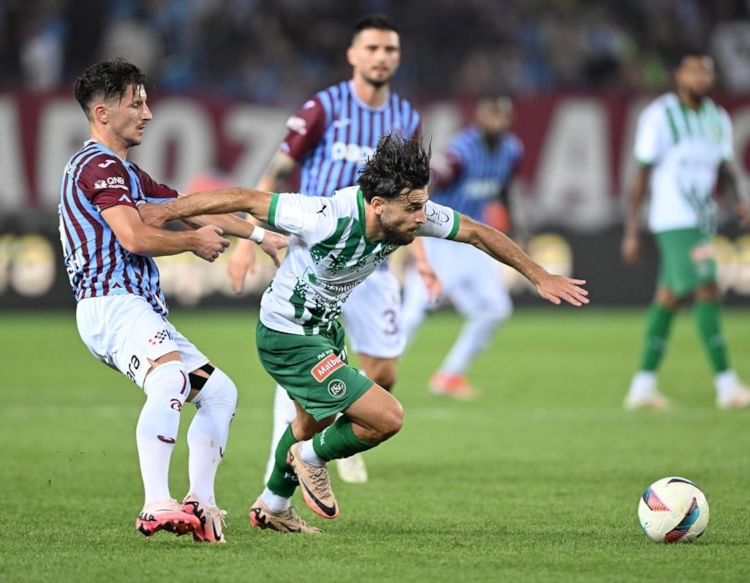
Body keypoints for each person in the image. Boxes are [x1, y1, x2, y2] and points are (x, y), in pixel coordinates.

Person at [140, 132, 590, 534]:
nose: (422, 217)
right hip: (287, 337)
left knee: (307, 424)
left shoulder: (408, 211)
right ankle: (310, 459)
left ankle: (273, 506)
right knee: (386, 417)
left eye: (423, 205)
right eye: (412, 208)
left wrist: (538, 275)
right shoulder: (324, 216)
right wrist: (167, 211)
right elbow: (245, 198)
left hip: (324, 331)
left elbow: (475, 231)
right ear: (378, 205)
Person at [57, 58, 287, 543]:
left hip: (133, 307)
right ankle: (155, 503)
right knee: (170, 377)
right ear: (102, 113)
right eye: (136, 104)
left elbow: (191, 208)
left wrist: (261, 236)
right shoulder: (98, 166)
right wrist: (191, 242)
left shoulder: (127, 173)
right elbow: (134, 238)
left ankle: (200, 501)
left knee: (220, 393)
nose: (148, 113)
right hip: (112, 302)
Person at [227, 13, 438, 485]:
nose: (381, 57)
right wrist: (246, 241)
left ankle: (345, 428)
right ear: (353, 55)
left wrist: (421, 260)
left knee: (384, 371)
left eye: (389, 49)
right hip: (317, 253)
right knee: (303, 358)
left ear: (398, 57)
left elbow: (413, 199)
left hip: (374, 257)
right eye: (372, 48)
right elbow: (275, 173)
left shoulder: (406, 118)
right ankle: (286, 466)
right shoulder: (323, 108)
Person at [621, 52, 750, 411]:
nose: (700, 78)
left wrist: (739, 200)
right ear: (679, 75)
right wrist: (631, 228)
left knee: (669, 298)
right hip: (673, 219)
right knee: (706, 287)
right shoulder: (659, 115)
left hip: (702, 219)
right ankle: (727, 385)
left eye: (706, 72)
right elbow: (641, 173)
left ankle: (642, 387)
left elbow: (725, 166)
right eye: (693, 72)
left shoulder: (717, 117)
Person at [401, 94, 524, 400]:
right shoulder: (462, 151)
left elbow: (505, 190)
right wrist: (410, 224)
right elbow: (433, 181)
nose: (496, 120)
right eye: (490, 114)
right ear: (478, 117)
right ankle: (371, 377)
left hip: (472, 241)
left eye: (501, 114)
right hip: (441, 240)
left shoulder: (512, 150)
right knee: (412, 314)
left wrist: (519, 231)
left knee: (496, 308)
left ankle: (449, 374)